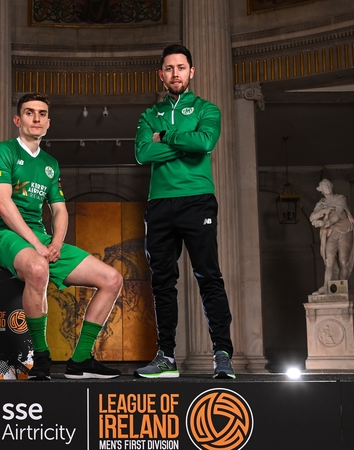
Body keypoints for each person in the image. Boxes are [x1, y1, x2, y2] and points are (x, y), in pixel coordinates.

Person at [0, 92, 123, 380]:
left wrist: (56, 243)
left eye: (42, 113)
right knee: (38, 267)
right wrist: (37, 245)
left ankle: (81, 360)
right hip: (5, 235)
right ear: (17, 119)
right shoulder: (4, 151)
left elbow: (59, 210)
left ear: (48, 122)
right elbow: (3, 204)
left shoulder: (50, 163)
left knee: (112, 279)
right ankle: (42, 357)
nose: (36, 118)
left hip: (42, 238)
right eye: (29, 112)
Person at [133, 44, 236, 379]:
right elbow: (144, 153)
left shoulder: (208, 109)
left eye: (180, 67)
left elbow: (204, 143)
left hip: (197, 200)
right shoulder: (150, 115)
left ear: (191, 72)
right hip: (160, 204)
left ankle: (222, 353)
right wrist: (181, 142)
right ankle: (166, 357)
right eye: (168, 68)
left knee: (209, 276)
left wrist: (167, 137)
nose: (174, 73)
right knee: (163, 281)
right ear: (161, 74)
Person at [309, 179, 354, 295]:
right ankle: (326, 287)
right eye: (324, 186)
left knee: (343, 261)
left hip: (344, 231)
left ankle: (342, 287)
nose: (327, 187)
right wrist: (323, 212)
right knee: (329, 261)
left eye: (328, 185)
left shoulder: (340, 198)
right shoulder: (321, 204)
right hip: (331, 233)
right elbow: (312, 217)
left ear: (331, 186)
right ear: (321, 190)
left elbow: (338, 215)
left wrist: (325, 223)